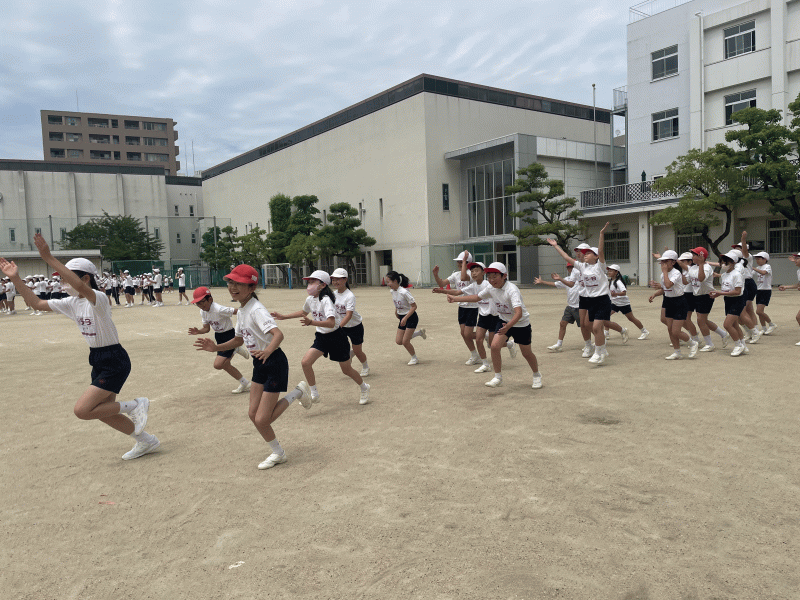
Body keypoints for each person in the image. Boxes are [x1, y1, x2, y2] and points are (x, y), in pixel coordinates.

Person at [0, 234, 158, 460]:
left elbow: (80, 288)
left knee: (82, 410)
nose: (63, 284)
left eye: (67, 279)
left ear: (85, 279)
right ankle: (146, 441)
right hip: (97, 358)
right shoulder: (71, 303)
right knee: (102, 412)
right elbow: (35, 303)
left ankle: (135, 405)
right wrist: (16, 278)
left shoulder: (98, 299)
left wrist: (49, 258)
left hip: (114, 358)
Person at [195, 264, 311, 469]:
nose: (232, 287)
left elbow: (278, 334)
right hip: (260, 363)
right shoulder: (242, 310)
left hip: (274, 362)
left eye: (239, 284)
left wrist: (268, 351)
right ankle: (278, 453)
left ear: (251, 287)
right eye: (231, 283)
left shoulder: (256, 310)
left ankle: (297, 392)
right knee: (253, 415)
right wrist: (216, 348)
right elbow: (238, 340)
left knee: (263, 419)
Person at [272, 270, 370, 406]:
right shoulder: (310, 299)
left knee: (346, 370)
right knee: (305, 362)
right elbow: (303, 312)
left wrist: (311, 322)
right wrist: (283, 316)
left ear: (323, 285)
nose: (309, 285)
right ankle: (315, 394)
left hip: (337, 338)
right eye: (309, 282)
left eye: (313, 282)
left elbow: (331, 323)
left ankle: (364, 387)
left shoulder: (326, 300)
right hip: (321, 337)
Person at [449, 262, 542, 388]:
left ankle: (536, 375)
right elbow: (477, 298)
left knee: (526, 353)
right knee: (494, 346)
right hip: (503, 321)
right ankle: (498, 377)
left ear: (504, 276)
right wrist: (455, 299)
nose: (491, 280)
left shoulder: (512, 290)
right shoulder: (491, 288)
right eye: (489, 277)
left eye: (495, 276)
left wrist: (509, 326)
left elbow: (519, 313)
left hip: (521, 324)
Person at [547, 223, 614, 364]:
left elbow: (601, 250)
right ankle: (601, 350)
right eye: (584, 253)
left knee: (596, 327)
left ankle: (598, 352)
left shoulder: (600, 267)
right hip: (590, 300)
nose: (584, 255)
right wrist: (555, 246)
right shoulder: (582, 267)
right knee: (588, 325)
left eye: (588, 253)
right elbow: (566, 257)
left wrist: (601, 234)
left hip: (602, 300)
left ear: (596, 256)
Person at [435, 260, 516, 372]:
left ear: (483, 273)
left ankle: (509, 344)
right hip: (483, 316)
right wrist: (443, 292)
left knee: (492, 344)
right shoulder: (473, 285)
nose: (473, 273)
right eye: (472, 271)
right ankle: (485, 364)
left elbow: (487, 294)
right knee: (478, 340)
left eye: (476, 270)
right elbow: (458, 292)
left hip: (494, 316)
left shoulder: (489, 284)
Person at [188, 286, 252, 393]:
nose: (200, 306)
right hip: (219, 337)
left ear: (210, 299)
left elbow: (239, 311)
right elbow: (206, 328)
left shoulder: (219, 309)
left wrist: (251, 318)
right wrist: (198, 331)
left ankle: (235, 348)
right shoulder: (203, 312)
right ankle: (244, 383)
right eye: (197, 304)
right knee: (224, 364)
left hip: (229, 336)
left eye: (202, 302)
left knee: (218, 365)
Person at [648, 250, 699, 360]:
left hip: (679, 302)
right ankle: (677, 352)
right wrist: (655, 294)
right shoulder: (663, 274)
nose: (663, 264)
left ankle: (693, 343)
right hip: (668, 301)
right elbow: (664, 289)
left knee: (676, 331)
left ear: (673, 262)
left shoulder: (676, 273)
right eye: (662, 262)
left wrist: (664, 272)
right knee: (670, 329)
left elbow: (668, 285)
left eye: (666, 261)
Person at [432, 251, 479, 365]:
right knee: (463, 333)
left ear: (467, 263)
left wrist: (464, 261)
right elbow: (442, 283)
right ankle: (474, 355)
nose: (458, 264)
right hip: (461, 306)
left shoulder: (471, 274)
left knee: (467, 334)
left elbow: (463, 277)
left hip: (472, 306)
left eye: (460, 262)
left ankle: (486, 336)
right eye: (458, 262)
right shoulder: (456, 274)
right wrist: (436, 275)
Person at [687, 247, 729, 351]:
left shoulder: (707, 267)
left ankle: (709, 344)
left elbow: (701, 278)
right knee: (704, 320)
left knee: (700, 321)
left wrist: (701, 264)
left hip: (706, 295)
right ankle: (723, 334)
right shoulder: (693, 268)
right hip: (697, 295)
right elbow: (686, 281)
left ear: (701, 257)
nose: (692, 257)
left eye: (694, 255)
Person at [330, 268, 370, 377]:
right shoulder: (333, 294)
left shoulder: (349, 296)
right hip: (342, 326)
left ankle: (365, 366)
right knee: (342, 349)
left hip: (354, 326)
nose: (335, 282)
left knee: (357, 351)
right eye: (333, 279)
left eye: (338, 279)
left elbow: (349, 315)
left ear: (345, 279)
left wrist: (338, 328)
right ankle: (348, 363)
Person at [709, 251, 749, 356]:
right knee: (734, 324)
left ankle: (738, 345)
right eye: (722, 262)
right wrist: (718, 294)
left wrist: (720, 293)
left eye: (725, 262)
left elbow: (737, 291)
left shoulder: (737, 275)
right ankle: (743, 345)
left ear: (733, 262)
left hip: (737, 300)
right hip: (728, 300)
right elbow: (726, 290)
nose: (723, 264)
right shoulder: (724, 275)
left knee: (727, 325)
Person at [533, 265, 580, 351]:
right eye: (568, 268)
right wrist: (542, 282)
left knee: (586, 327)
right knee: (562, 323)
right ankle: (559, 344)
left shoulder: (581, 279)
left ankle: (597, 340)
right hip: (570, 306)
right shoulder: (567, 279)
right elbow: (555, 284)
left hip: (580, 307)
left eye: (572, 267)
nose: (570, 269)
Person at [386, 270, 426, 365]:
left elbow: (414, 306)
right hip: (402, 317)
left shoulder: (404, 292)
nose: (387, 284)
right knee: (399, 341)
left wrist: (405, 318)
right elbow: (397, 303)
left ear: (395, 281)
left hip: (411, 317)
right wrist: (397, 312)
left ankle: (414, 358)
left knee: (405, 341)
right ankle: (419, 333)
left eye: (388, 282)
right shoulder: (392, 291)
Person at [605, 264, 648, 341]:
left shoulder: (618, 282)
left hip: (623, 304)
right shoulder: (611, 281)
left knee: (631, 318)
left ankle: (644, 331)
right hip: (614, 303)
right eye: (609, 270)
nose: (609, 272)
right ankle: (606, 332)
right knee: (605, 316)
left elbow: (624, 292)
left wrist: (616, 294)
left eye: (611, 270)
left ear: (616, 272)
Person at [777, 252, 800, 345]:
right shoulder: (798, 271)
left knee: (799, 317)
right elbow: (798, 285)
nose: (795, 260)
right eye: (795, 258)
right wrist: (786, 287)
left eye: (797, 258)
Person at [752, 251, 776, 335]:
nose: (757, 260)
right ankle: (764, 328)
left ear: (765, 259)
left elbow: (763, 272)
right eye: (756, 259)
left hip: (766, 290)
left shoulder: (767, 266)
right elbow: (750, 275)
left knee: (759, 311)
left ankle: (771, 324)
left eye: (758, 259)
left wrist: (753, 268)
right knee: (759, 312)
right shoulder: (758, 267)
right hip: (759, 290)